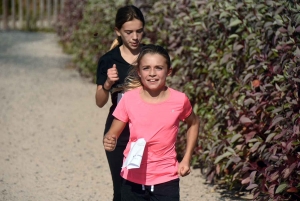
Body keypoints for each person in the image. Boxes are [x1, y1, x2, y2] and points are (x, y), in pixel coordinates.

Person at [103, 44, 200, 201]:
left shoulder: (179, 100)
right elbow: (113, 133)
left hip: (166, 179)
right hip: (131, 178)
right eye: (146, 68)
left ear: (169, 71)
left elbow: (194, 123)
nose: (152, 73)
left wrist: (186, 158)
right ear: (139, 72)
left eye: (159, 68)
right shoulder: (129, 99)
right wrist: (110, 140)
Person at [95, 5, 145, 201]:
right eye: (129, 32)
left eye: (139, 31)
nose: (135, 37)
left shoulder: (151, 56)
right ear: (118, 31)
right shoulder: (108, 60)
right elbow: (100, 102)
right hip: (119, 131)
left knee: (145, 189)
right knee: (121, 190)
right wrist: (107, 84)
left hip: (147, 130)